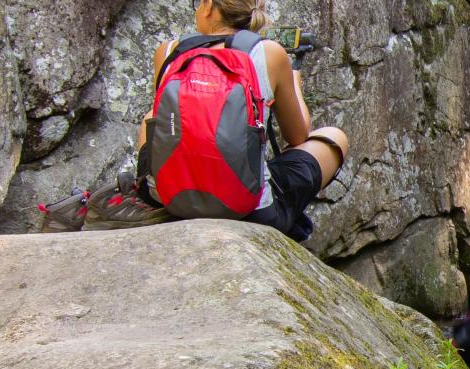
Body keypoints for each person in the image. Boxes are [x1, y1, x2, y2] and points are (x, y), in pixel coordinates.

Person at [107, 0, 351, 242]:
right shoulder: (270, 53)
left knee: (152, 116)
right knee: (335, 137)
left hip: (168, 201)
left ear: (209, 6)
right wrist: (294, 81)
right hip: (250, 213)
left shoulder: (169, 51)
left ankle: (153, 192)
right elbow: (297, 135)